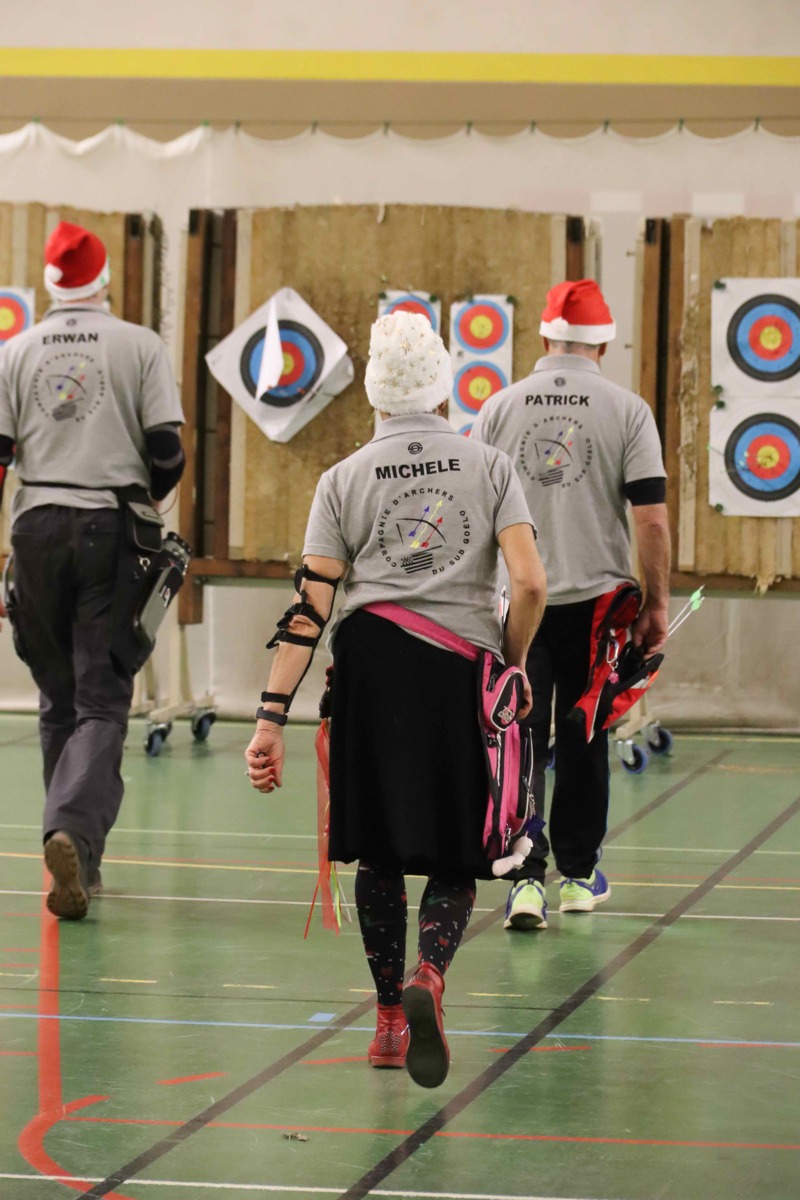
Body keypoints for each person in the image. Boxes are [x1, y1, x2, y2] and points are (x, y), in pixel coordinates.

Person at [246, 310, 546, 1088]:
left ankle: (387, 1022)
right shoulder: (490, 466)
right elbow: (530, 583)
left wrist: (270, 720)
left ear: (375, 395)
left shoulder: (342, 479)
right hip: (459, 675)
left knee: (379, 852)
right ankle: (431, 975)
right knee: (457, 849)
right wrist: (511, 665)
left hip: (369, 671)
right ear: (444, 388)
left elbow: (309, 609)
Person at [471, 279, 670, 930]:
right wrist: (657, 605)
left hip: (517, 604)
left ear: (544, 335)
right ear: (604, 343)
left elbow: (476, 517)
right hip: (596, 608)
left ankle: (526, 881)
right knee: (585, 734)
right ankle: (579, 877)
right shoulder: (628, 411)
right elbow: (651, 520)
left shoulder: (497, 408)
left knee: (520, 737)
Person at [0, 221, 185, 920]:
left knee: (57, 698)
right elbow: (166, 452)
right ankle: (73, 835)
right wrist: (147, 500)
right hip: (110, 528)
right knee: (102, 699)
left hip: (34, 529)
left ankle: (79, 858)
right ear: (104, 280)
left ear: (50, 283)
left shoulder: (14, 351)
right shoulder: (139, 344)